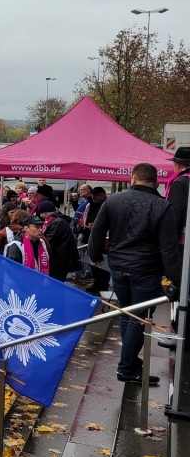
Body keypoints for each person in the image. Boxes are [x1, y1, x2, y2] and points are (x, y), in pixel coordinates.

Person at [88, 163, 181, 385]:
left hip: (119, 267)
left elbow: (98, 230)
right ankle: (127, 367)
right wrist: (176, 279)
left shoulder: (114, 200)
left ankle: (129, 362)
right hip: (146, 270)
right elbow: (168, 247)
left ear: (133, 178)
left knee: (128, 315)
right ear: (155, 181)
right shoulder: (162, 206)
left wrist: (95, 255)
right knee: (139, 319)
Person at [36, 200, 79, 282]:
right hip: (59, 259)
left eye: (42, 213)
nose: (41, 216)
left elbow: (50, 240)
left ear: (47, 212)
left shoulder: (57, 222)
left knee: (56, 282)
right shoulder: (54, 221)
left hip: (60, 260)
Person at [167, 147, 190, 251]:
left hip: (184, 242)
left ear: (178, 165)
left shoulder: (180, 182)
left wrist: (170, 242)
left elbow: (175, 213)